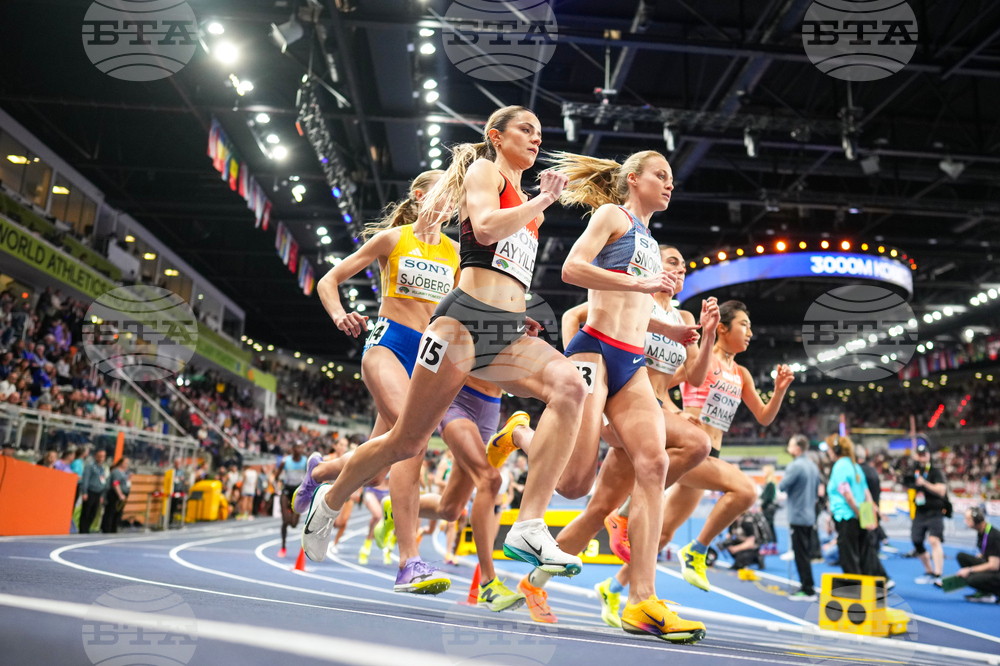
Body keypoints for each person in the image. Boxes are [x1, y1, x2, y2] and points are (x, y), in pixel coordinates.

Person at [301, 105, 588, 593]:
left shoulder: (523, 204)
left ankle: (529, 524)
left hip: (501, 330)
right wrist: (542, 200)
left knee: (569, 385)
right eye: (526, 129)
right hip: (460, 324)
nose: (536, 138)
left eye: (541, 133)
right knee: (407, 442)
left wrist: (520, 313)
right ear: (495, 136)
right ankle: (329, 501)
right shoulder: (485, 173)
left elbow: (502, 267)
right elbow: (488, 227)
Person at [293, 170, 459, 588]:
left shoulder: (457, 253)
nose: (450, 202)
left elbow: (470, 307)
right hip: (388, 344)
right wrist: (339, 314)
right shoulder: (393, 239)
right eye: (442, 193)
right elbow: (330, 280)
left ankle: (320, 473)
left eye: (455, 196)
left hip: (427, 359)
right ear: (418, 195)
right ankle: (409, 561)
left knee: (378, 462)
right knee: (412, 442)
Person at [381, 375, 524, 608]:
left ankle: (394, 508)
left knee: (450, 510)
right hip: (459, 402)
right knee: (490, 479)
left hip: (491, 409)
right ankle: (488, 582)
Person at [826, 435, 890, 584]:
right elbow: (866, 493)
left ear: (835, 450)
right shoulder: (854, 466)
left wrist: (859, 513)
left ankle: (856, 592)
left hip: (846, 517)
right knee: (863, 557)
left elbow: (847, 495)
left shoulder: (840, 466)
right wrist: (868, 516)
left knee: (849, 560)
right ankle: (868, 591)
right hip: (858, 517)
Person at [780, 434, 821, 600]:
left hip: (797, 516)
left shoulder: (795, 466)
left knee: (800, 554)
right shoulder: (813, 466)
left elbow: (782, 486)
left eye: (790, 445)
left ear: (797, 449)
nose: (788, 448)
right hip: (810, 515)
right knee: (805, 553)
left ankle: (807, 588)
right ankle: (808, 585)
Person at [909, 443, 948, 585]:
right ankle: (929, 571)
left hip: (935, 511)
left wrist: (924, 483)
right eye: (919, 454)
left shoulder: (935, 471)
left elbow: (942, 490)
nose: (922, 457)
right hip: (920, 511)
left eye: (924, 454)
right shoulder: (915, 471)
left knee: (934, 540)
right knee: (916, 541)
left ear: (928, 455)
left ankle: (938, 574)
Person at [950, 506, 1000, 603]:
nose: (965, 522)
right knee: (961, 556)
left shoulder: (993, 536)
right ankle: (984, 590)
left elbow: (994, 565)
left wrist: (969, 570)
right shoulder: (982, 532)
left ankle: (992, 591)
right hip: (993, 567)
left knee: (970, 579)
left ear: (977, 520)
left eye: (967, 519)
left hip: (997, 571)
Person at [275, 442, 307, 558]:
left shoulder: (305, 462)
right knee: (285, 521)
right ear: (293, 449)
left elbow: (310, 476)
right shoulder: (285, 461)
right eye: (297, 447)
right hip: (286, 491)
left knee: (293, 524)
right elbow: (276, 476)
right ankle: (283, 547)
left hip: (298, 493)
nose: (299, 449)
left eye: (301, 447)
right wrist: (277, 488)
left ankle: (291, 512)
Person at [79, 449, 108, 534]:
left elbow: (103, 480)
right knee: (86, 511)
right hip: (90, 491)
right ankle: (83, 530)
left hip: (98, 493)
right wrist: (84, 492)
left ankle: (87, 528)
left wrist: (102, 495)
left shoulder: (102, 468)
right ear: (96, 456)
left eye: (103, 456)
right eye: (100, 456)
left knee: (93, 512)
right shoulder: (90, 466)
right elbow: (86, 479)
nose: (101, 458)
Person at [101, 457, 130, 533]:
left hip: (123, 494)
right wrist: (120, 494)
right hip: (115, 495)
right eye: (125, 463)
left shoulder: (124, 472)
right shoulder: (117, 472)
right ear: (121, 463)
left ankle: (114, 528)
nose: (127, 465)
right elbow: (115, 483)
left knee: (118, 512)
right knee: (111, 512)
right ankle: (107, 529)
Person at [760, 465, 779, 555]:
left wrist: (761, 506)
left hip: (768, 509)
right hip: (769, 508)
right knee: (770, 527)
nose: (763, 473)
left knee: (767, 527)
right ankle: (772, 545)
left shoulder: (770, 484)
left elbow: (767, 498)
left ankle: (768, 546)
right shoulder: (770, 484)